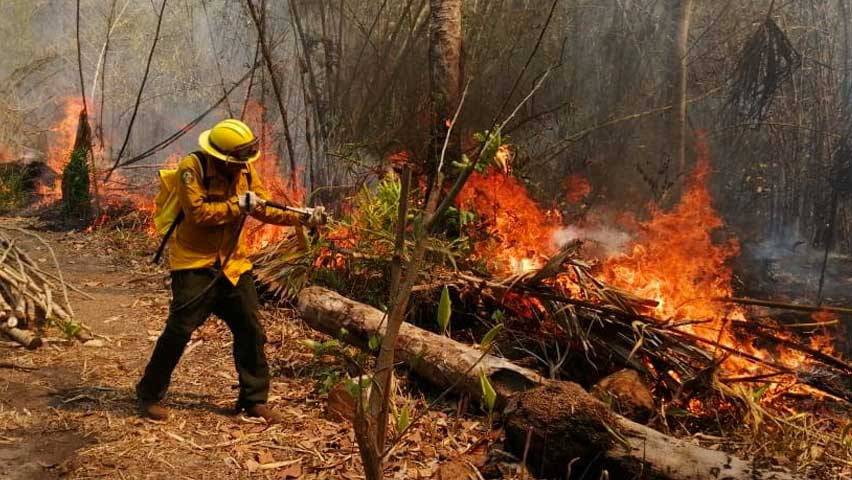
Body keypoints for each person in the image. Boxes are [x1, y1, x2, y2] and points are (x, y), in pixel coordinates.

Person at [136, 119, 323, 423]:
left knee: (251, 330)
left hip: (234, 264)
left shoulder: (246, 169)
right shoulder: (191, 168)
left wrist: (302, 217)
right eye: (235, 162)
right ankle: (148, 393)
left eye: (243, 162)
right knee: (179, 330)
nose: (241, 167)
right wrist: (238, 206)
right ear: (220, 156)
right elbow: (198, 214)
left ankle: (254, 401)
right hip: (194, 263)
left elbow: (262, 206)